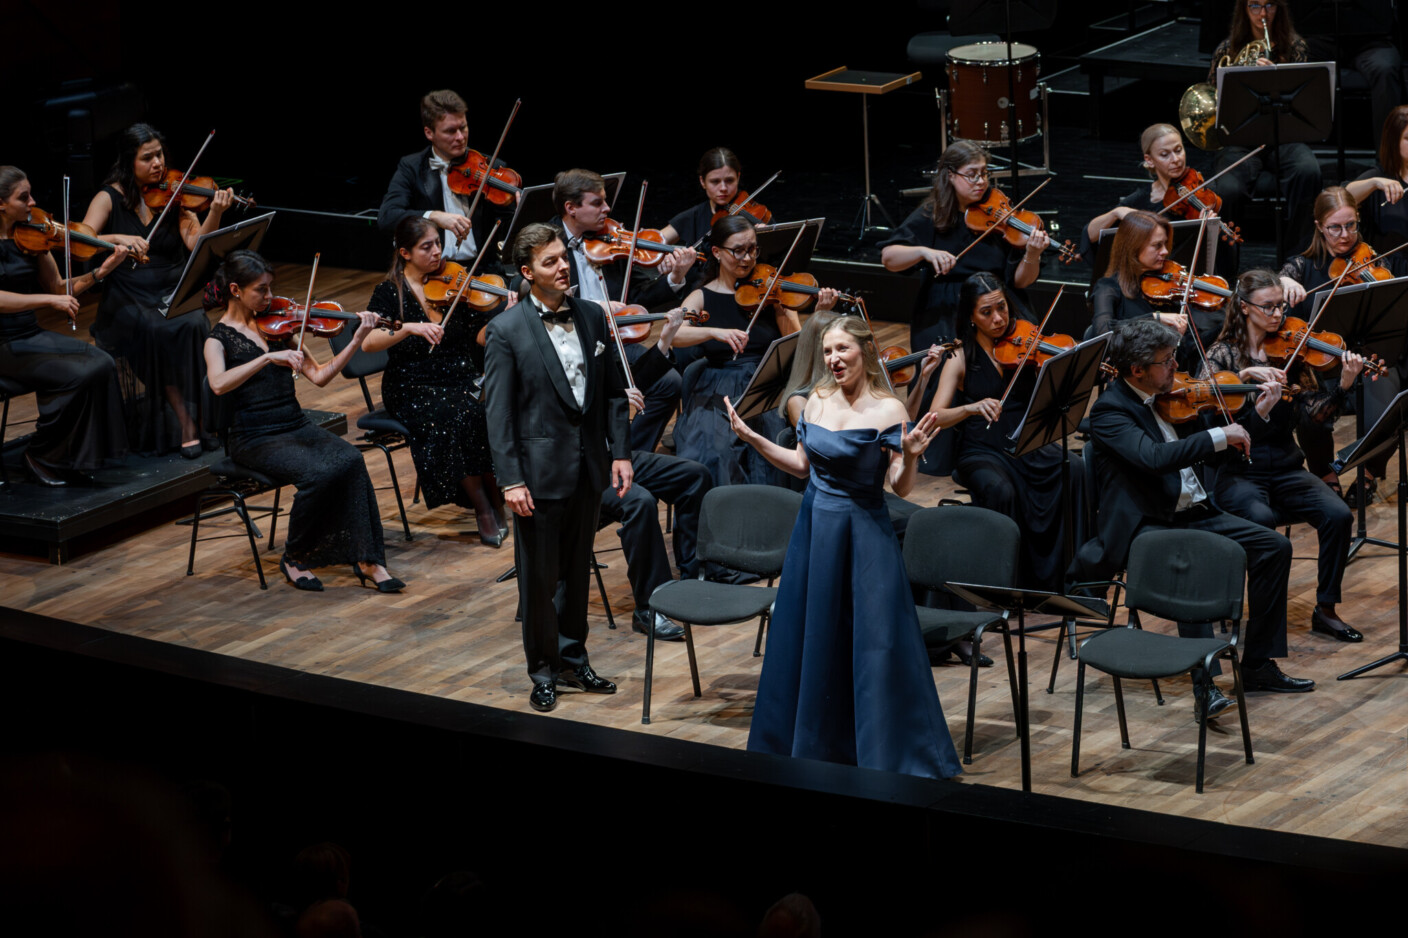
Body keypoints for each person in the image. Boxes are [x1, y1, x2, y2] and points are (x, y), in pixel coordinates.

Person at [722, 314, 961, 778]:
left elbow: (900, 486)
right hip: (815, 530)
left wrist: (911, 456)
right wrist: (751, 438)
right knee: (811, 637)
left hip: (866, 534)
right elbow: (801, 466)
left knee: (875, 642)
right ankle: (812, 747)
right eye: (827, 351)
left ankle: (883, 752)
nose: (833, 359)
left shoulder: (890, 410)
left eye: (842, 350)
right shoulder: (815, 400)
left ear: (865, 351)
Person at [1070, 318, 1312, 720]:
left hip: (1194, 512)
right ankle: (1205, 686)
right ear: (1137, 370)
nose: (1176, 367)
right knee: (1194, 562)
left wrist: (1257, 415)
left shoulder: (1173, 397)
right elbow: (1153, 458)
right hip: (1148, 525)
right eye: (1166, 361)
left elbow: (1223, 453)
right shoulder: (1111, 411)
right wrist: (1217, 436)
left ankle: (1257, 665)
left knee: (1274, 547)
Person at [483, 223, 632, 713]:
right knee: (540, 581)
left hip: (588, 468)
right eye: (550, 262)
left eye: (564, 258)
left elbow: (614, 393)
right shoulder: (506, 330)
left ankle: (573, 660)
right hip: (537, 476)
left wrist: (621, 452)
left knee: (577, 573)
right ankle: (543, 670)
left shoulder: (591, 315)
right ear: (527, 272)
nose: (563, 267)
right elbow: (499, 414)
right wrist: (510, 480)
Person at [203, 250, 404, 593]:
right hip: (254, 438)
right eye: (261, 290)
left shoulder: (278, 327)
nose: (269, 297)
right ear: (235, 290)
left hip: (294, 424)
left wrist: (356, 339)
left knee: (351, 459)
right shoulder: (217, 339)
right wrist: (266, 358)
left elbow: (321, 376)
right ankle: (295, 556)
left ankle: (367, 559)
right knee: (318, 473)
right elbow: (218, 384)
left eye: (270, 288)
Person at [1201, 268, 1363, 642]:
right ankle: (1264, 625)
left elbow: (1312, 414)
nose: (1277, 314)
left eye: (1280, 306)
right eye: (1268, 306)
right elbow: (1209, 415)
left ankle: (1326, 609)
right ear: (1244, 307)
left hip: (1286, 467)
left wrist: (1342, 386)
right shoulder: (1221, 355)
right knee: (1261, 521)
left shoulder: (1291, 352)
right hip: (1239, 471)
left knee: (1338, 515)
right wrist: (1248, 385)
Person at [909, 272, 1079, 593]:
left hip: (1023, 441)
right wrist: (971, 408)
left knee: (1075, 469)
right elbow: (936, 416)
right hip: (980, 450)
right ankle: (1004, 586)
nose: (999, 318)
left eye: (1002, 307)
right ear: (971, 317)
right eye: (986, 312)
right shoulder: (960, 356)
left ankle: (1062, 576)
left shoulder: (1026, 343)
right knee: (1001, 490)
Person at [82, 123, 236, 457]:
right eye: (147, 157)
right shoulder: (109, 197)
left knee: (194, 324)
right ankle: (186, 422)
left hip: (172, 289)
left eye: (160, 154)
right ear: (129, 161)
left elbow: (197, 243)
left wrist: (215, 212)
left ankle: (205, 416)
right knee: (153, 331)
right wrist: (118, 238)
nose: (158, 163)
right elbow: (82, 240)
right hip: (129, 294)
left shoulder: (176, 193)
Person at [363, 216, 506, 546]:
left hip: (459, 374)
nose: (437, 252)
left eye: (438, 244)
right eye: (426, 247)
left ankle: (496, 497)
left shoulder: (455, 283)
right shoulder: (390, 292)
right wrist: (408, 328)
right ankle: (483, 507)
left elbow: (479, 337)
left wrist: (506, 317)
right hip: (412, 383)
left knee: (485, 408)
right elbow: (368, 342)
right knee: (457, 414)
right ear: (405, 253)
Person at [670, 214, 837, 486]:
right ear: (717, 252)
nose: (747, 259)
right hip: (718, 388)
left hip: (765, 384)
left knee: (774, 452)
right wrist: (714, 331)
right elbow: (674, 334)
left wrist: (818, 315)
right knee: (715, 454)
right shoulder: (702, 296)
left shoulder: (772, 294)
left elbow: (798, 344)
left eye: (752, 249)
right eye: (738, 251)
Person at [547, 167, 698, 452]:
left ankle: (630, 454)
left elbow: (641, 296)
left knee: (669, 383)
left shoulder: (612, 239)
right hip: (570, 343)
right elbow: (540, 298)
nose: (607, 209)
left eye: (605, 201)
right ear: (571, 208)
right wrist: (596, 306)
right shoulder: (546, 242)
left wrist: (675, 276)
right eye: (597, 203)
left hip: (615, 338)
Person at [0, 165, 129, 485]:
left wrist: (100, 272)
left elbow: (59, 289)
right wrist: (47, 301)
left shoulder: (30, 233)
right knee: (77, 374)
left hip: (28, 334)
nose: (32, 203)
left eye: (31, 195)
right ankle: (42, 455)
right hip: (4, 345)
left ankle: (72, 455)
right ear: (1, 203)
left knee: (101, 363)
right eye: (23, 197)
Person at [1278, 185, 1405, 494]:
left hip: (1366, 358)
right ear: (1319, 226)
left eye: (1351, 225)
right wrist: (1283, 282)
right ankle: (1325, 475)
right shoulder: (1302, 267)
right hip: (1320, 365)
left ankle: (1369, 472)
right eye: (1335, 227)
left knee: (1390, 403)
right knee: (1309, 409)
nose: (1345, 235)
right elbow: (1270, 287)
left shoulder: (1373, 262)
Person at [598, 308, 713, 642]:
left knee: (694, 475)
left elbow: (634, 384)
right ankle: (651, 608)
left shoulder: (590, 338)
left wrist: (664, 340)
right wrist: (612, 399)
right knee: (640, 502)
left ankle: (692, 578)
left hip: (613, 455)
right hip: (578, 468)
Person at [879, 139, 1047, 352]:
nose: (981, 181)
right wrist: (924, 252)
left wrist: (1032, 255)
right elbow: (889, 258)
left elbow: (1021, 282)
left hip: (995, 304)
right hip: (949, 309)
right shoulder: (932, 214)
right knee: (947, 359)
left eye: (984, 173)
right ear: (950, 175)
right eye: (972, 174)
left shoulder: (1000, 218)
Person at [1205, 0, 1322, 254]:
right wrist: (1243, 78)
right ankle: (1224, 267)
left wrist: (1276, 77)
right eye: (1254, 6)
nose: (1263, 13)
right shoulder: (1226, 49)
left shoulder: (1295, 46)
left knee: (1308, 171)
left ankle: (1298, 258)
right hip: (1241, 139)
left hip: (1284, 136)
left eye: (1269, 5)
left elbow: (1303, 96)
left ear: (1279, 8)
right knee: (1227, 190)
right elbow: (1214, 101)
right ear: (1244, 10)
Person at [1082, 123, 1240, 277]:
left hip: (1194, 279)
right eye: (1165, 154)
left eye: (1179, 150)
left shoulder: (1206, 194)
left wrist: (1212, 233)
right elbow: (1090, 236)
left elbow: (1227, 264)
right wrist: (1116, 212)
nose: (1176, 159)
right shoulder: (1141, 200)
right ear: (1149, 160)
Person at [377, 89, 505, 266]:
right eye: (450, 131)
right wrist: (433, 216)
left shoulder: (491, 167)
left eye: (463, 127)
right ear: (429, 133)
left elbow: (509, 225)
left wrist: (517, 205)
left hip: (482, 269)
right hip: (432, 271)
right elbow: (387, 217)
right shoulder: (411, 167)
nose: (460, 137)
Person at [1090, 210, 1220, 369]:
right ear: (1133, 247)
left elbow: (1190, 350)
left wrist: (1224, 328)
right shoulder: (1108, 287)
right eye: (1157, 245)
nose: (1165, 251)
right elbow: (1102, 334)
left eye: (1165, 244)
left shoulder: (1168, 288)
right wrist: (1154, 318)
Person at [660, 147, 755, 247]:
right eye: (715, 181)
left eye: (729, 180)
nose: (723, 188)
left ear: (738, 178)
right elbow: (654, 241)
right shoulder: (693, 217)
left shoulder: (752, 213)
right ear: (702, 181)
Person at [1348, 105, 1408, 249]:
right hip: (1387, 261)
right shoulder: (1379, 176)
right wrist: (1374, 183)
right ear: (1394, 141)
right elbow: (1342, 198)